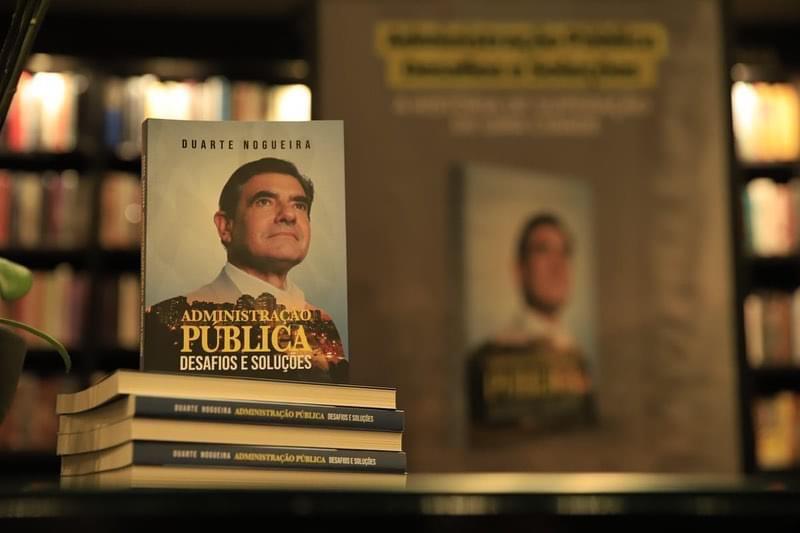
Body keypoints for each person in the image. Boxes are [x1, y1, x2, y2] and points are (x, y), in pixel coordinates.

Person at [492, 213, 577, 351]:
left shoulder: (573, 350)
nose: (558, 265)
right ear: (520, 270)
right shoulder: (500, 352)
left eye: (564, 253)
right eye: (543, 251)